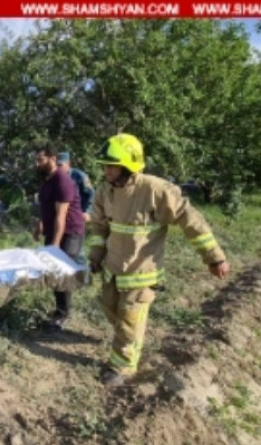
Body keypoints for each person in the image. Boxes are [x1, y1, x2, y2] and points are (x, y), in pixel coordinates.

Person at [87, 133, 231, 387]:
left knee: (129, 320)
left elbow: (191, 221)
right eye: (105, 165)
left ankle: (122, 367)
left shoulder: (155, 190)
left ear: (129, 165)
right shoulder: (104, 191)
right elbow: (99, 226)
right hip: (113, 270)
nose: (106, 170)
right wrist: (96, 255)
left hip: (141, 273)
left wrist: (214, 257)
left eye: (112, 165)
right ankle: (129, 337)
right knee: (112, 309)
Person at [33, 144, 85, 332]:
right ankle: (60, 310)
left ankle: (62, 315)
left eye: (40, 160)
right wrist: (40, 225)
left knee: (61, 271)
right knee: (54, 272)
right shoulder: (47, 181)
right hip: (53, 230)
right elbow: (46, 207)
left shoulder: (62, 180)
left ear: (53, 159)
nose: (37, 164)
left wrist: (54, 246)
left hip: (70, 232)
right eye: (36, 160)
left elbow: (61, 216)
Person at [56, 152, 95, 221]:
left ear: (68, 164)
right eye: (56, 165)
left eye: (60, 165)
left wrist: (87, 211)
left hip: (79, 215)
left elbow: (91, 193)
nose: (58, 168)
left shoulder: (79, 176)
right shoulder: (56, 178)